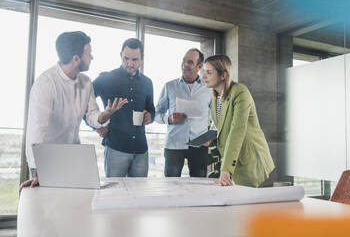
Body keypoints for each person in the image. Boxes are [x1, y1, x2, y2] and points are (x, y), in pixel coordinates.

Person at [20, 31, 127, 190]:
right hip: (46, 158)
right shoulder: (46, 83)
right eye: (89, 53)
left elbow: (92, 116)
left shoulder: (86, 82)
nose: (92, 57)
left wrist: (105, 115)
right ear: (76, 59)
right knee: (48, 207)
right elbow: (37, 130)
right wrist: (38, 170)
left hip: (72, 154)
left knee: (76, 203)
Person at [202, 54, 275, 187]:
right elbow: (222, 126)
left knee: (247, 204)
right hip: (234, 160)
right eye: (204, 72)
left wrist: (225, 170)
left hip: (251, 160)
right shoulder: (215, 98)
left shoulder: (240, 92)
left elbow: (237, 130)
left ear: (223, 75)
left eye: (208, 72)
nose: (203, 76)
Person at [91, 38, 155, 177]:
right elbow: (83, 102)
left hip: (141, 151)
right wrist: (96, 125)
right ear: (120, 55)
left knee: (139, 196)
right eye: (126, 58)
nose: (130, 63)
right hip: (116, 149)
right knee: (114, 196)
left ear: (142, 59)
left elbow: (151, 109)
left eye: (134, 59)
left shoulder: (147, 83)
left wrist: (150, 116)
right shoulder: (106, 78)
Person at [155, 48, 211, 177]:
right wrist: (169, 119)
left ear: (199, 66)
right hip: (174, 144)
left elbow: (218, 116)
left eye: (190, 62)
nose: (185, 64)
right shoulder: (169, 86)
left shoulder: (209, 88)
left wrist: (210, 136)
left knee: (199, 187)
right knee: (171, 186)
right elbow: (157, 114)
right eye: (184, 60)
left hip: (199, 145)